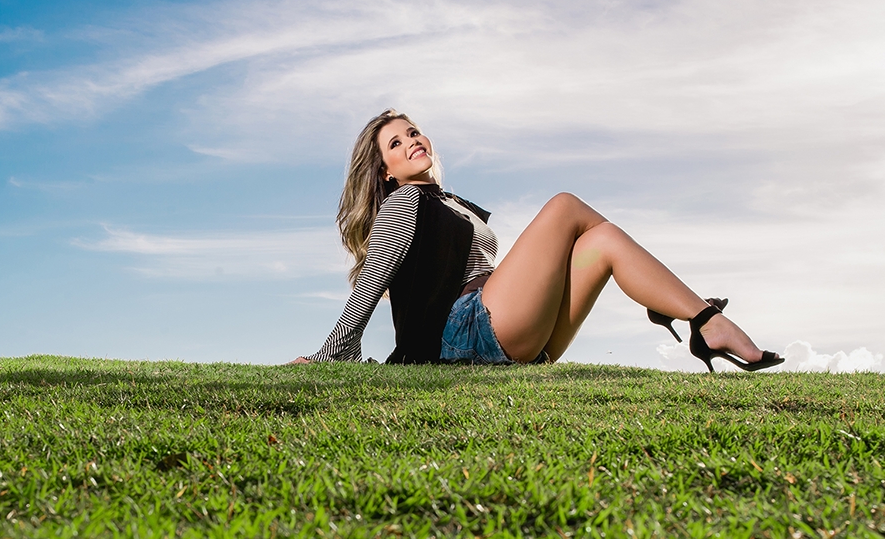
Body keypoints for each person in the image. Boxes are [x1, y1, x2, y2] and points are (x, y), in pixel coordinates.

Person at [289, 109, 783, 372]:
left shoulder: (450, 202)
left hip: (507, 336)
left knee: (604, 240)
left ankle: (688, 313)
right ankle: (698, 317)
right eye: (395, 143)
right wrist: (335, 349)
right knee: (566, 206)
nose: (412, 142)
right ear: (385, 170)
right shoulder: (404, 202)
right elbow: (375, 279)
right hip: (467, 332)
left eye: (413, 132)